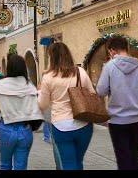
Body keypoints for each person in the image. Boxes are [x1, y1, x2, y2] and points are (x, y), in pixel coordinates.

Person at [38, 42, 95, 171]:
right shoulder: (80, 72)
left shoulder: (48, 77)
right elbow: (92, 94)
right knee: (78, 161)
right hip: (83, 124)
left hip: (61, 125)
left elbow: (43, 104)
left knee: (68, 163)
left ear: (52, 57)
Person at [96, 36, 138, 171]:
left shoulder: (109, 66)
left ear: (112, 51)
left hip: (118, 120)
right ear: (126, 48)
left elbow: (101, 91)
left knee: (123, 158)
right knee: (134, 156)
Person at [0, 55, 43, 170]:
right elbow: (35, 107)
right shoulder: (29, 85)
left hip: (6, 127)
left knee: (5, 165)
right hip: (25, 129)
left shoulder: (1, 84)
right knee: (21, 166)